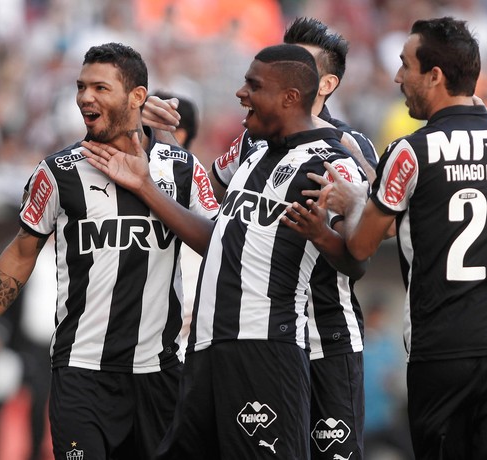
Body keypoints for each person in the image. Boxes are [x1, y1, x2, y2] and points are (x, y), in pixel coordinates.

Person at [82, 43, 367, 459]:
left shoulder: (331, 161)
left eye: (253, 85)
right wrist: (144, 185)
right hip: (209, 346)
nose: (241, 93)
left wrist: (332, 227)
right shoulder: (253, 155)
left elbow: (358, 257)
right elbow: (217, 241)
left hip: (266, 346)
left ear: (289, 97)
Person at [0, 42, 219, 460]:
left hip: (158, 372)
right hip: (81, 373)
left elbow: (217, 245)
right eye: (81, 87)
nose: (85, 97)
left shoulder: (181, 168)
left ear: (137, 97)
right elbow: (20, 254)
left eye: (100, 88)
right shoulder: (59, 171)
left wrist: (146, 187)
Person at [315, 17, 487, 460]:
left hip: (444, 347)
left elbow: (362, 245)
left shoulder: (411, 149)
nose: (398, 77)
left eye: (406, 65)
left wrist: (354, 202)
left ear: (435, 75)